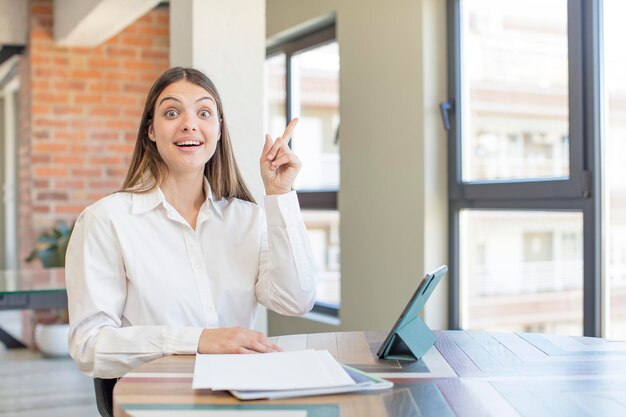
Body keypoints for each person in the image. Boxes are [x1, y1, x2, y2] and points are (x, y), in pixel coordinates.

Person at [65, 67, 317, 378]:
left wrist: (280, 195)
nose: (189, 125)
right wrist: (197, 341)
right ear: (151, 130)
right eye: (171, 113)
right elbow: (90, 346)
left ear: (219, 129)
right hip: (161, 399)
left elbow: (296, 300)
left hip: (243, 393)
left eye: (204, 113)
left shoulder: (248, 218)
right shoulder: (106, 220)